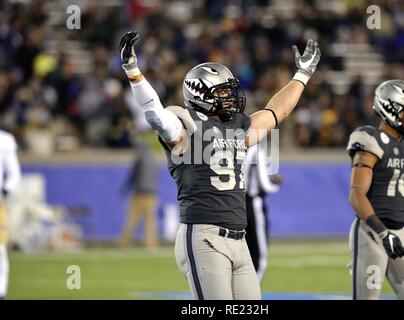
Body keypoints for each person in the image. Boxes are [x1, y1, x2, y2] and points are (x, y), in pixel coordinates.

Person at [119, 31, 320, 300]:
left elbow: (276, 112)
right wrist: (133, 71)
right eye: (223, 91)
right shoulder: (184, 125)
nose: (231, 97)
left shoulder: (237, 127)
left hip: (239, 239)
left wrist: (302, 76)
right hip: (204, 237)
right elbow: (154, 112)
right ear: (201, 95)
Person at [347, 79, 404, 300]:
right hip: (372, 233)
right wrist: (381, 231)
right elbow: (356, 194)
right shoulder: (369, 139)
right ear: (388, 107)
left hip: (400, 232)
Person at [243, 137, 281, 282]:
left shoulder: (237, 148)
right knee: (259, 251)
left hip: (237, 203)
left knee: (244, 248)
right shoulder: (256, 150)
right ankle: (251, 290)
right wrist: (276, 184)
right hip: (254, 203)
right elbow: (265, 185)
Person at [119, 132, 160, 249]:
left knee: (132, 220)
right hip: (152, 194)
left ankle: (125, 244)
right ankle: (151, 245)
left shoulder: (140, 159)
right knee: (150, 222)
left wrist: (125, 189)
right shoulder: (154, 160)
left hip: (139, 194)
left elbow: (133, 176)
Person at [0, 130, 22, 299]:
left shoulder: (5, 140)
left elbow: (14, 174)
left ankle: (1, 291)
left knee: (0, 249)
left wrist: (5, 192)